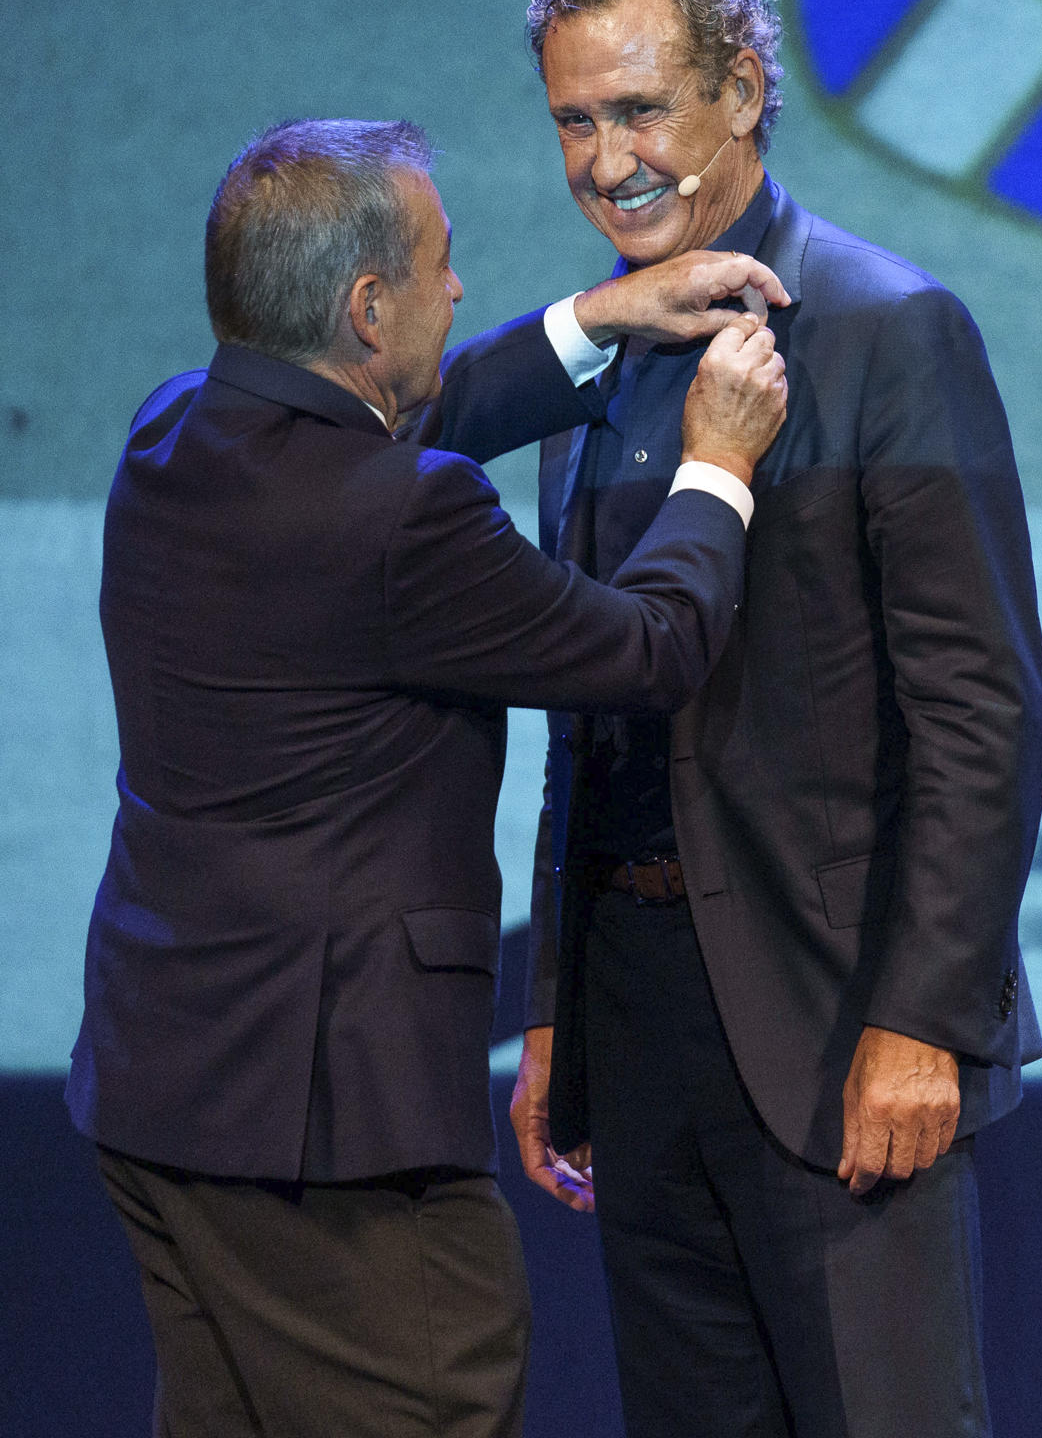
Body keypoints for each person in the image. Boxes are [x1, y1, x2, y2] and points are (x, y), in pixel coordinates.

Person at [66, 117, 788, 1438]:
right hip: (326, 1131)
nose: (461, 291)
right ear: (365, 303)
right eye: (444, 268)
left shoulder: (173, 436)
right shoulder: (408, 517)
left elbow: (375, 420)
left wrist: (600, 319)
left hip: (161, 1089)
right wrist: (719, 464)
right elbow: (649, 645)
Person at [504, 0, 1042, 1438]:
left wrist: (926, 1017)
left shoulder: (888, 330)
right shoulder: (596, 371)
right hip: (645, 1025)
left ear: (744, 89)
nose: (609, 160)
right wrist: (557, 1011)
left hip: (838, 1026)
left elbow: (980, 712)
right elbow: (586, 721)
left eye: (642, 109)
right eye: (574, 120)